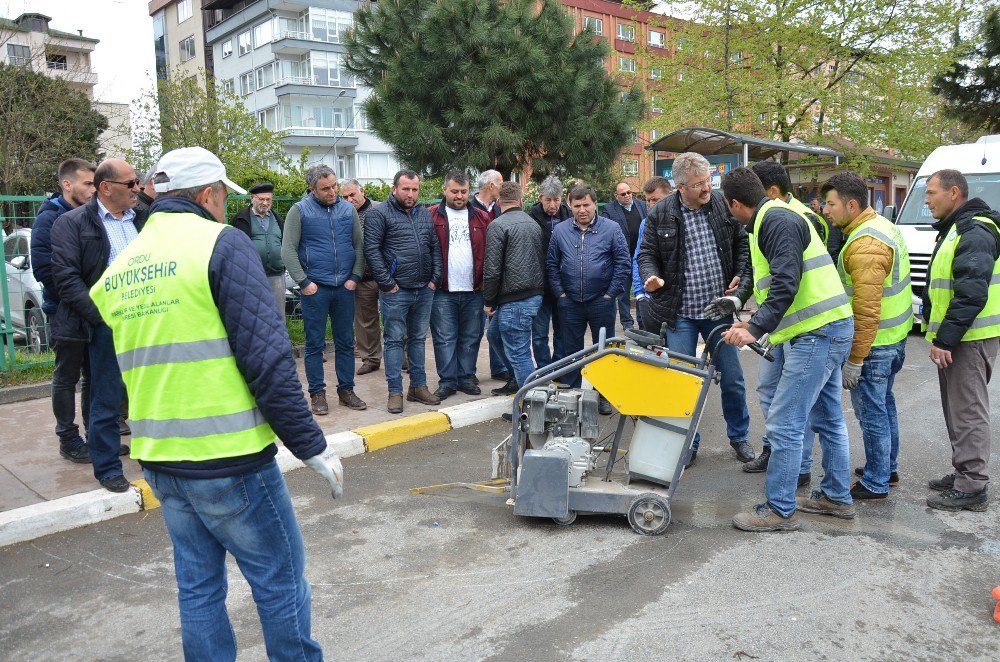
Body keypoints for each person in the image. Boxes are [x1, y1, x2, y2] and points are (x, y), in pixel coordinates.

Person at [88, 146, 343, 660]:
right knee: (279, 579)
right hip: (230, 458)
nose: (226, 205)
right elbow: (267, 359)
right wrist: (310, 444)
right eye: (224, 195)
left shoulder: (127, 263)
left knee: (199, 588)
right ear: (209, 194)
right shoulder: (221, 244)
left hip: (161, 456)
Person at [720, 167, 855, 532]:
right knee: (826, 418)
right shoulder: (772, 219)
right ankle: (836, 497)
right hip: (825, 329)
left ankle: (780, 510)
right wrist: (749, 320)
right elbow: (776, 285)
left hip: (818, 334)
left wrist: (754, 328)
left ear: (735, 204)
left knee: (784, 422)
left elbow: (786, 283)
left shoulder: (775, 222)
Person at [638, 152, 755, 466]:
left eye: (707, 181)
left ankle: (740, 436)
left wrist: (740, 275)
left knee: (732, 378)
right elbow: (646, 253)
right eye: (698, 185)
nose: (707, 189)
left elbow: (741, 244)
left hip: (719, 313)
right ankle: (687, 443)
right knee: (682, 382)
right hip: (680, 314)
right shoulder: (660, 213)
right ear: (680, 187)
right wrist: (649, 276)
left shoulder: (720, 204)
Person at [50, 158, 145, 492]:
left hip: (146, 321)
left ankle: (153, 456)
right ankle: (107, 469)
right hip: (105, 324)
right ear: (106, 188)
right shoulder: (71, 223)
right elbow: (66, 278)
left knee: (145, 395)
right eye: (130, 184)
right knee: (105, 398)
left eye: (138, 182)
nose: (138, 189)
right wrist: (103, 318)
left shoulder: (145, 220)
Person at [743, 159, 841, 477]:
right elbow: (758, 268)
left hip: (808, 326)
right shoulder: (765, 219)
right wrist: (739, 297)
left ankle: (794, 475)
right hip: (786, 325)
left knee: (795, 413)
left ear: (770, 191)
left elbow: (790, 279)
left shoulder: (791, 219)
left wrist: (755, 326)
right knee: (774, 394)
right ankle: (788, 461)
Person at [819, 171, 912, 500]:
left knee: (872, 413)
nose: (825, 210)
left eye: (830, 204)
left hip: (875, 346)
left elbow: (868, 310)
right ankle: (887, 467)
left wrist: (855, 359)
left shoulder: (865, 245)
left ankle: (876, 481)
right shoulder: (880, 227)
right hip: (893, 339)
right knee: (884, 406)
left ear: (852, 204)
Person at [922, 169, 1000, 512]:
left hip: (969, 338)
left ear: (954, 193)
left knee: (968, 411)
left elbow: (971, 293)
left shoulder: (974, 230)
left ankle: (972, 485)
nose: (926, 200)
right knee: (958, 409)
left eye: (931, 193)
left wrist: (947, 339)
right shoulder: (957, 229)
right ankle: (964, 472)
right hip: (961, 337)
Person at [281, 165, 367, 414]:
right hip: (315, 289)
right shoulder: (299, 211)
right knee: (314, 344)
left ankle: (346, 391)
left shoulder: (347, 209)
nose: (332, 192)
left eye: (334, 186)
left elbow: (359, 246)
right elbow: (287, 250)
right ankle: (317, 394)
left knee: (345, 342)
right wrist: (304, 282)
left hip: (344, 288)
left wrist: (355, 276)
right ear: (312, 189)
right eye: (325, 188)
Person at [30, 158, 95, 463]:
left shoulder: (91, 215)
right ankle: (68, 438)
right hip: (64, 311)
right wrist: (79, 298)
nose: (93, 189)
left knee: (94, 375)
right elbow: (46, 269)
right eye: (88, 183)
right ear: (67, 185)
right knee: (67, 376)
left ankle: (96, 436)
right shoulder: (49, 218)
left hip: (94, 309)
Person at [364, 169, 442, 413]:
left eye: (414, 189)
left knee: (418, 340)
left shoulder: (424, 213)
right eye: (406, 189)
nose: (410, 194)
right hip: (396, 290)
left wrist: (435, 278)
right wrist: (388, 283)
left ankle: (418, 387)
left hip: (423, 288)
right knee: (395, 340)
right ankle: (394, 391)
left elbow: (434, 246)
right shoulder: (379, 214)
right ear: (394, 189)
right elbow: (372, 250)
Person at [547, 185, 629, 413]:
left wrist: (610, 294)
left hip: (601, 301)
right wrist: (560, 294)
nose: (582, 210)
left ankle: (604, 396)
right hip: (570, 302)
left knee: (604, 350)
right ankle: (573, 398)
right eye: (577, 205)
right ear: (569, 205)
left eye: (586, 205)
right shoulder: (561, 231)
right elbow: (552, 264)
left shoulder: (611, 229)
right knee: (571, 351)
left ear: (595, 203)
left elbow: (623, 263)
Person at [429, 171, 490, 400]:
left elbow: (490, 252)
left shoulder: (482, 218)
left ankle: (466, 377)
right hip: (443, 289)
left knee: (471, 336)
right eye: (454, 191)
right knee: (444, 337)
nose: (459, 196)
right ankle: (447, 381)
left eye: (464, 191)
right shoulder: (431, 216)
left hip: (474, 289)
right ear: (445, 190)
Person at [483, 181, 546, 392]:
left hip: (513, 299)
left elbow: (492, 269)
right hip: (532, 295)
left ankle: (533, 405)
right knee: (494, 335)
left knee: (519, 353)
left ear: (499, 202)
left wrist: (488, 301)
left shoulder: (497, 225)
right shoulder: (533, 223)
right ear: (520, 200)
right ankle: (515, 380)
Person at [527, 174, 572, 368]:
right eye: (548, 200)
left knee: (563, 331)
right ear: (540, 198)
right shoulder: (530, 218)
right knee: (539, 333)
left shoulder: (570, 217)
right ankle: (544, 369)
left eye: (556, 200)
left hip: (565, 286)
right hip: (540, 286)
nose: (552, 205)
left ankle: (559, 367)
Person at [470, 169, 509, 381]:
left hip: (497, 277)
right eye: (501, 182)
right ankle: (469, 371)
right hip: (476, 278)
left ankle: (499, 367)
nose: (503, 186)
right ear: (491, 186)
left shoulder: (501, 208)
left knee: (497, 326)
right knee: (474, 329)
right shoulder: (469, 207)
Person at [342, 179, 383, 375]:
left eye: (352, 195)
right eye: (345, 197)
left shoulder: (380, 209)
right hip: (361, 277)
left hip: (385, 277)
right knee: (365, 322)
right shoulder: (343, 214)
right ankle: (370, 359)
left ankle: (403, 358)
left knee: (395, 319)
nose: (349, 200)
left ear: (362, 191)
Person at [233, 182, 286, 318]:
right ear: (253, 199)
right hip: (251, 277)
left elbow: (285, 243)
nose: (265, 202)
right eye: (261, 199)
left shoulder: (277, 219)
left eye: (268, 199)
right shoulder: (240, 219)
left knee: (278, 315)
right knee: (255, 315)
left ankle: (279, 340)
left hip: (276, 276)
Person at [602, 182, 647, 330]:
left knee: (643, 290)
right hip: (622, 258)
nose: (627, 195)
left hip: (642, 256)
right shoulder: (609, 210)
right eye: (623, 194)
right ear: (616, 196)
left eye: (629, 192)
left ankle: (643, 321)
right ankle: (627, 323)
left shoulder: (642, 205)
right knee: (623, 293)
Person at [631, 176, 672, 332]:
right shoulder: (645, 223)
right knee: (654, 350)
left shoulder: (682, 220)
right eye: (648, 200)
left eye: (655, 200)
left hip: (676, 300)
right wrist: (640, 294)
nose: (650, 205)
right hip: (651, 298)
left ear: (670, 195)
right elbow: (638, 258)